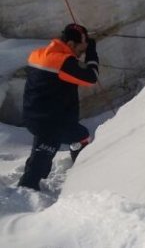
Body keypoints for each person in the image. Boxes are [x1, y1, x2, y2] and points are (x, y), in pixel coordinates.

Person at [17, 23, 100, 190]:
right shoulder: (62, 62)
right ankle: (83, 172)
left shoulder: (39, 54)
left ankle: (28, 185)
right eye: (80, 50)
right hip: (51, 121)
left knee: (43, 148)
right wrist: (91, 52)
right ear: (70, 45)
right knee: (79, 135)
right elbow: (91, 77)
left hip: (35, 115)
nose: (80, 54)